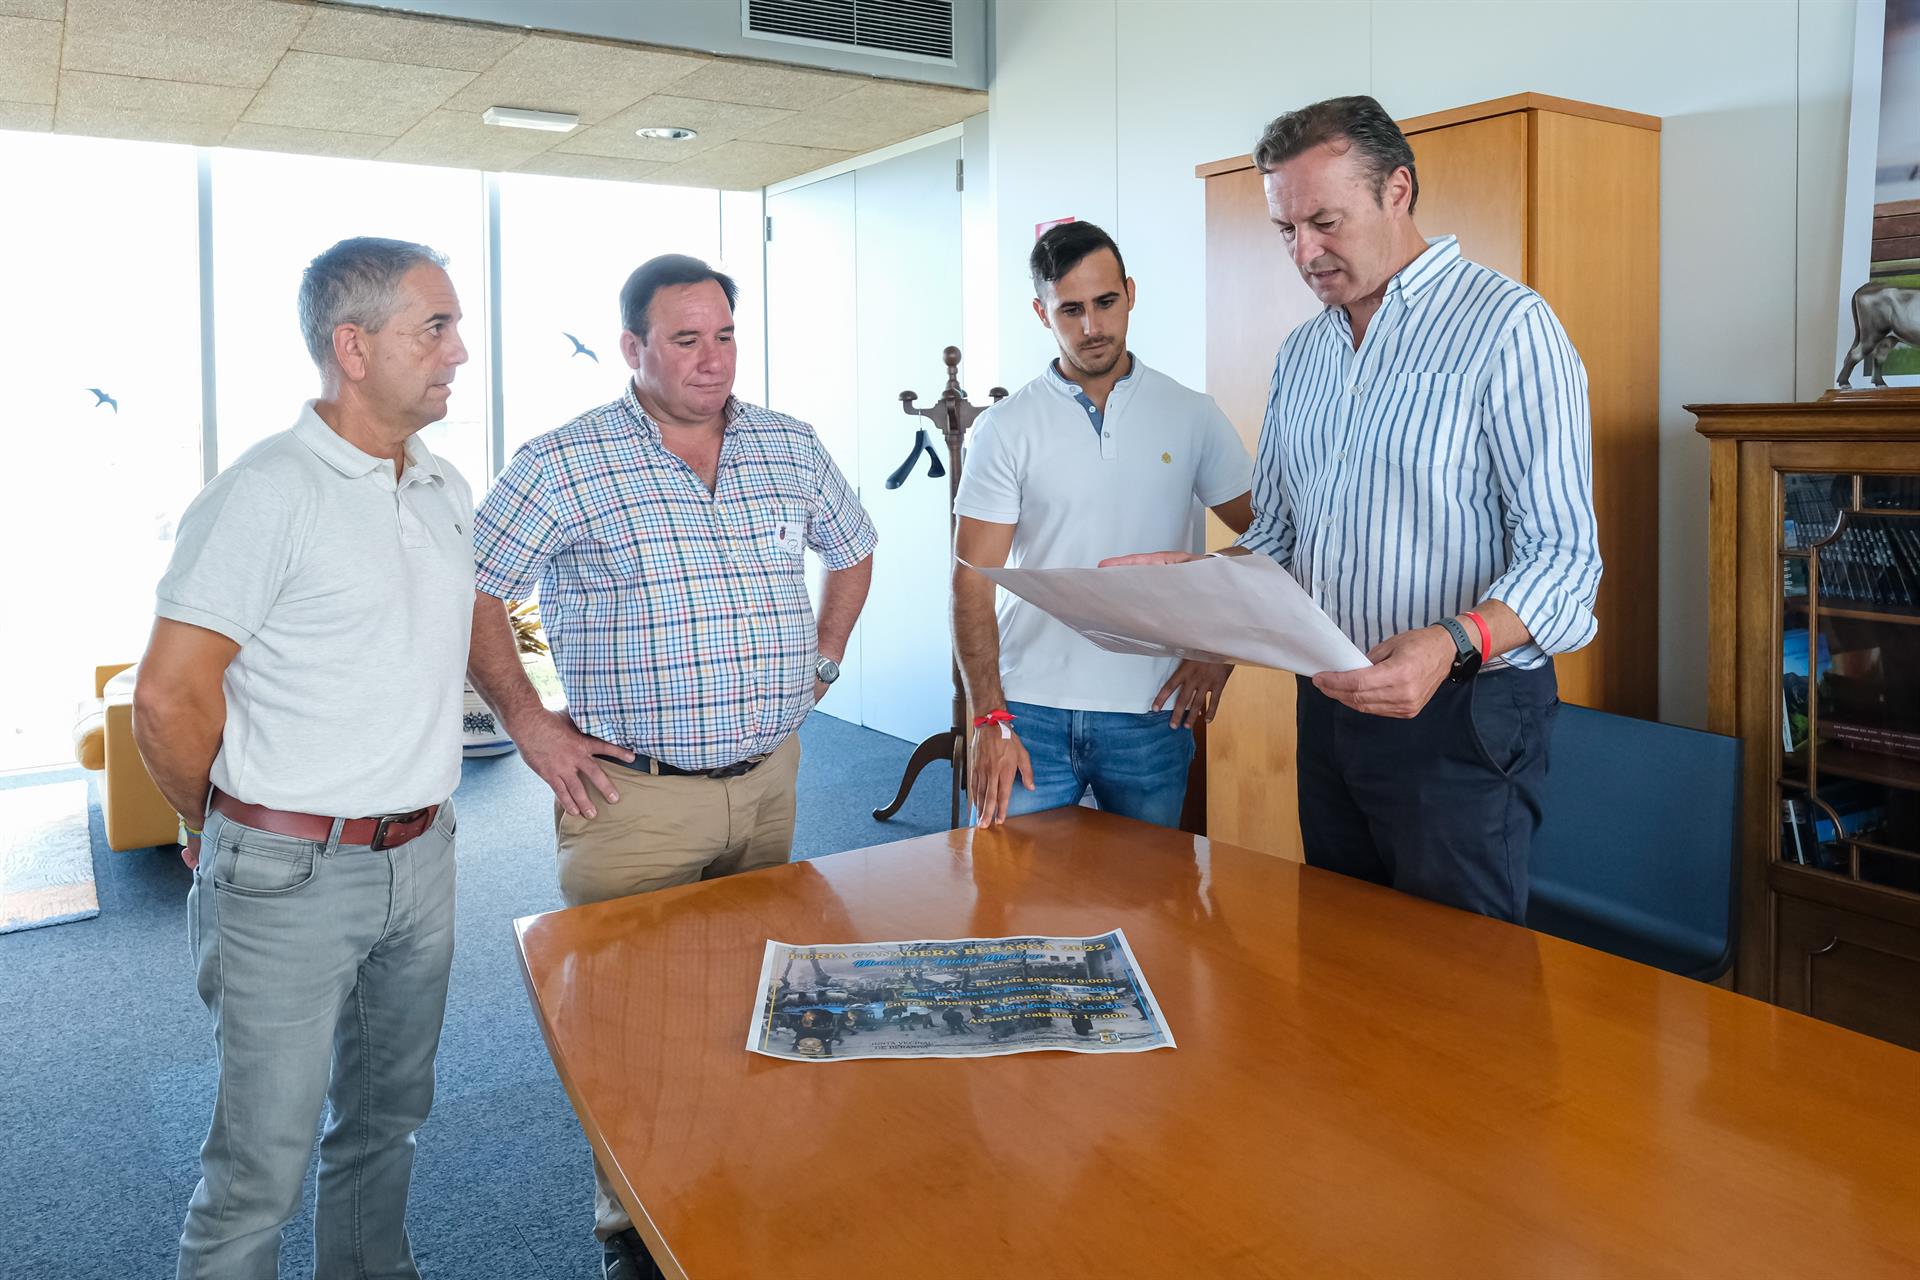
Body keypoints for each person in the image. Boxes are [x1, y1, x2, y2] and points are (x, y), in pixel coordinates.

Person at [467, 252, 875, 1280]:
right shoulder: (566, 461)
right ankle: (634, 1227)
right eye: (685, 339)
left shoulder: (788, 445)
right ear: (633, 348)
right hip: (630, 795)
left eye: (725, 334)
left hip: (771, 778)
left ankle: (742, 1176)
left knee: (764, 999)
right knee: (628, 1025)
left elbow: (855, 545)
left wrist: (822, 658)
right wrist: (529, 721)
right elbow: (467, 585)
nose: (711, 358)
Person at [1108, 96, 1601, 923]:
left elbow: (1566, 556)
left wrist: (1453, 643)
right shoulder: (1303, 354)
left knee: (1459, 984)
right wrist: (1205, 589)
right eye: (1285, 230)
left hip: (1463, 714)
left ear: (1397, 190)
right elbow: (1282, 535)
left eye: (1325, 221)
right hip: (1331, 700)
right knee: (1346, 959)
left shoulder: (1509, 327)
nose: (1305, 252)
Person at [134, 237, 474, 1278]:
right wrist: (217, 818)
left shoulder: (442, 481)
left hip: (422, 858)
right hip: (287, 875)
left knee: (387, 1123)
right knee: (259, 1170)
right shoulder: (265, 491)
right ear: (354, 345)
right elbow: (168, 692)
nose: (460, 350)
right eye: (437, 327)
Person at [952, 222, 1255, 828]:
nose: (1092, 327)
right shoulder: (1006, 428)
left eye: (1105, 303)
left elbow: (1268, 538)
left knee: (1150, 909)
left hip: (1151, 709)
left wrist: (1218, 651)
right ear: (1042, 313)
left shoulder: (1191, 415)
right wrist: (987, 715)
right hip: (1028, 707)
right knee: (1014, 905)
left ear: (1131, 294)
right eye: (1071, 309)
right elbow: (971, 582)